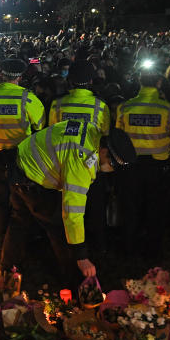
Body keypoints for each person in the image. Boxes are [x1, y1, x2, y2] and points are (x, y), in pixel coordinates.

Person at [0, 120, 136, 286]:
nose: (110, 168)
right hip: (31, 180)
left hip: (19, 163)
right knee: (59, 228)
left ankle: (6, 272)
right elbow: (73, 213)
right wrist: (81, 255)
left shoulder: (91, 130)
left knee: (19, 222)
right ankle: (73, 282)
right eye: (112, 164)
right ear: (105, 150)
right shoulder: (82, 162)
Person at [116, 63, 170, 262]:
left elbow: (118, 138)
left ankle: (128, 250)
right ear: (159, 82)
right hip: (157, 168)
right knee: (156, 210)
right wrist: (162, 149)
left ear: (139, 81)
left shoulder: (124, 107)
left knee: (130, 209)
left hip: (130, 168)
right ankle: (153, 253)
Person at [48, 60, 113, 261]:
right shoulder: (100, 105)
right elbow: (105, 136)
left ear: (70, 79)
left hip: (64, 165)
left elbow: (52, 133)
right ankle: (100, 248)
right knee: (95, 209)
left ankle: (71, 250)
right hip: (92, 166)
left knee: (69, 209)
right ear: (91, 80)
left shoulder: (57, 104)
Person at [0, 58, 46, 246]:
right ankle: (25, 240)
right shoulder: (27, 97)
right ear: (20, 77)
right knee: (24, 200)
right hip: (21, 156)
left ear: (2, 75)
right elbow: (40, 124)